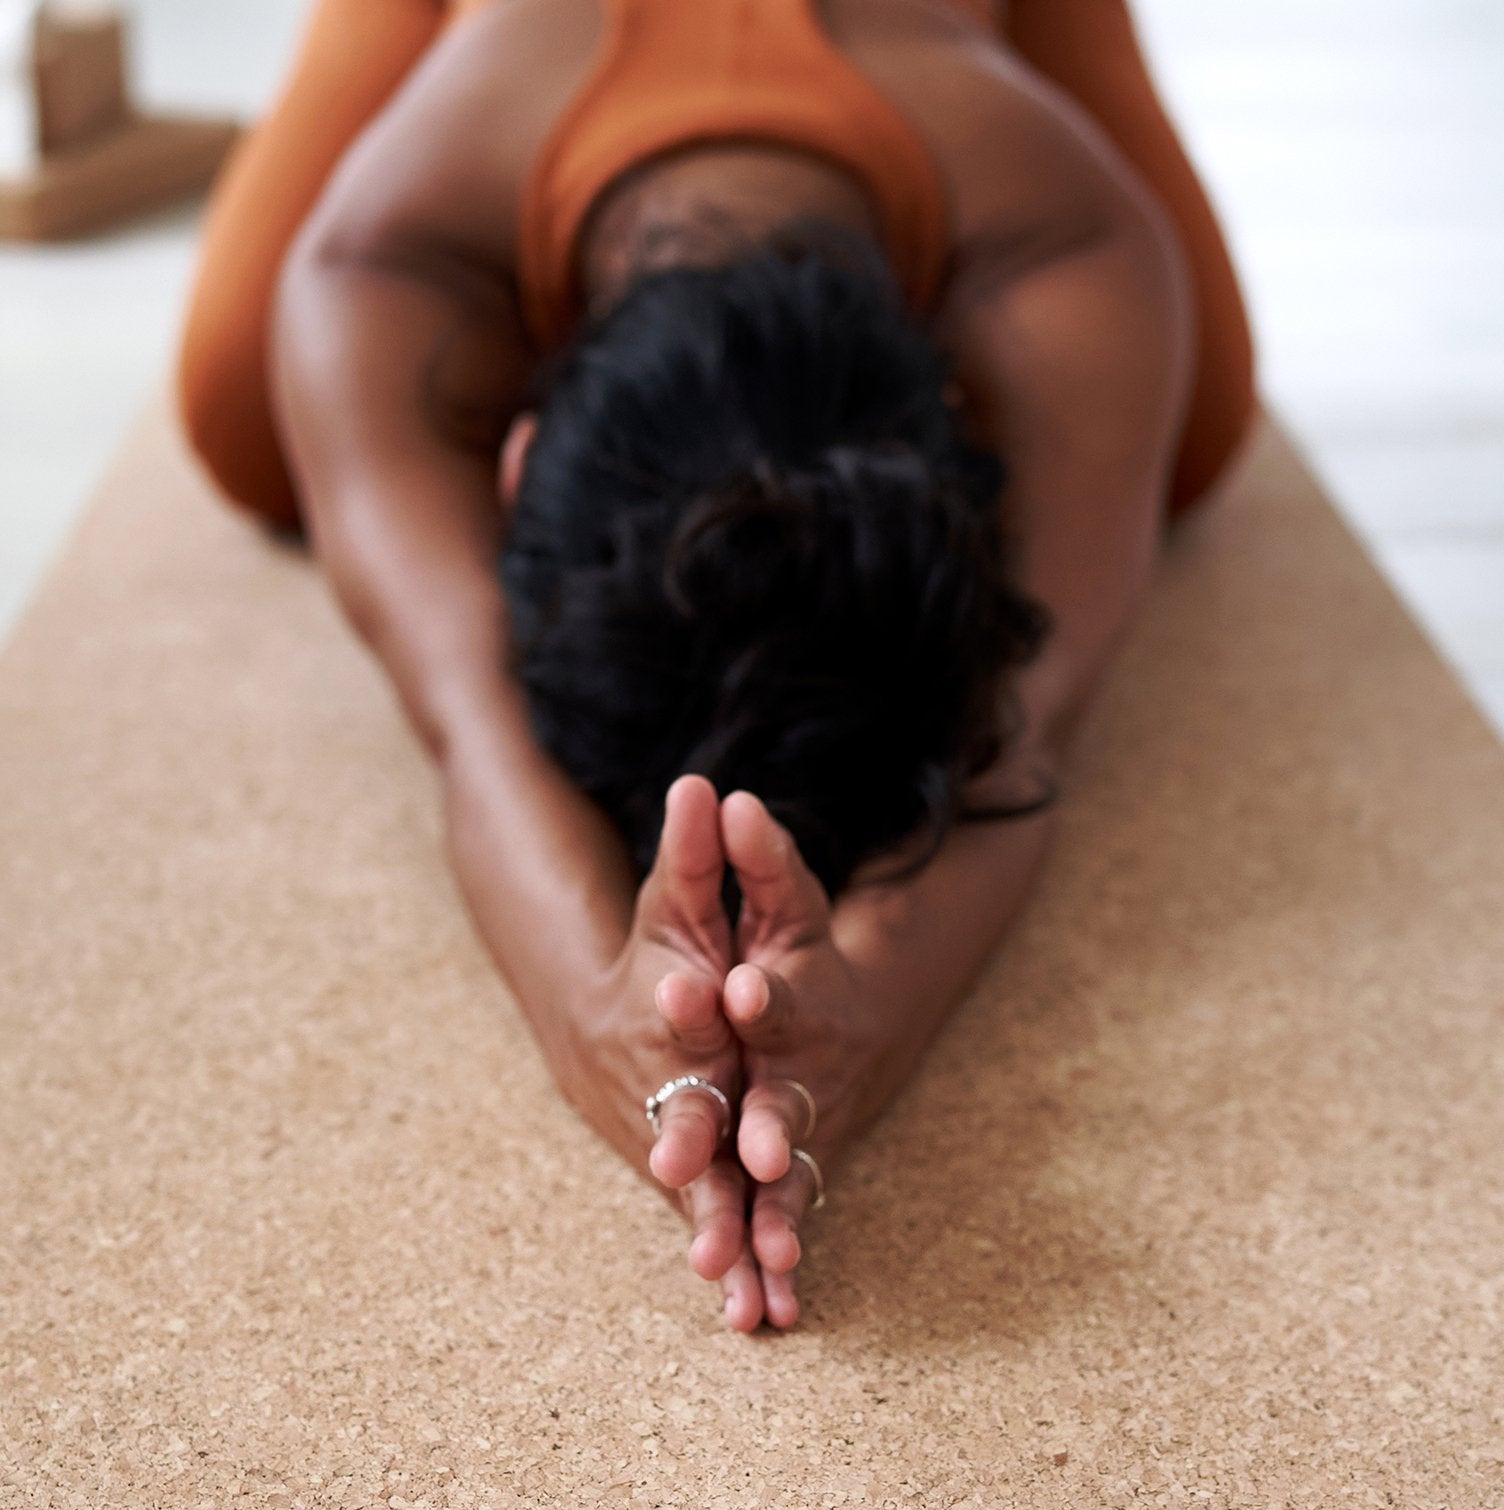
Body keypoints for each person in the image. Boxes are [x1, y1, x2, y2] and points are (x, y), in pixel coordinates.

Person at [177, 0, 1256, 1333]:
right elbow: (474, 720)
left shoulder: (1071, 234)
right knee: (241, 400)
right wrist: (610, 1017)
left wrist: (852, 1027)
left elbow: (1022, 731)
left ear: (512, 466)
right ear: (512, 466)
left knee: (1194, 432)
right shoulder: (372, 261)